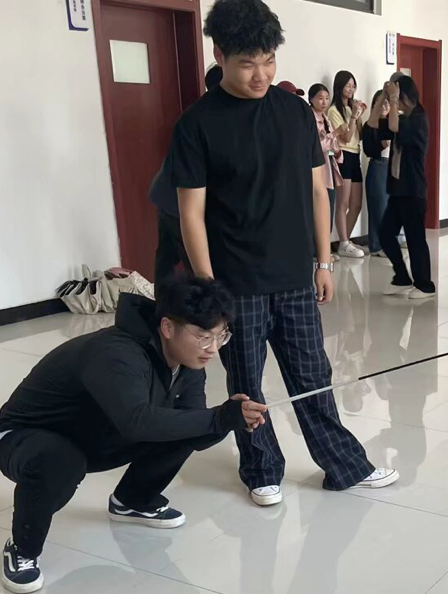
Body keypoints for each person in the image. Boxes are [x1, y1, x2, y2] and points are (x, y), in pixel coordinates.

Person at [170, 0, 397, 507]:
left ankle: (344, 464)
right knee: (246, 385)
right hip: (235, 283)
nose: (261, 74)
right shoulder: (197, 125)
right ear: (220, 55)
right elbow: (191, 215)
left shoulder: (294, 113)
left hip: (295, 276)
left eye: (269, 60)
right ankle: (260, 469)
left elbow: (319, 191)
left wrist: (325, 261)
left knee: (313, 376)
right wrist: (210, 291)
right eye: (248, 63)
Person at [0, 279, 268, 594]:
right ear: (167, 327)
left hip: (94, 433)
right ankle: (22, 549)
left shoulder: (189, 363)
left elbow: (196, 432)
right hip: (23, 437)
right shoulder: (116, 352)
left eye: (221, 336)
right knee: (61, 461)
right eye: (204, 336)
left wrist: (230, 419)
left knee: (184, 424)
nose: (213, 349)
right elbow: (137, 423)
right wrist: (216, 418)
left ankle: (133, 500)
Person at [148, 65, 224, 283]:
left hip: (166, 194)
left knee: (166, 259)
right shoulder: (205, 119)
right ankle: (191, 302)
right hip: (175, 199)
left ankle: (164, 301)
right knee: (195, 261)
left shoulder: (205, 113)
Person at [379, 74, 435, 299]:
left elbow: (393, 124)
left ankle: (425, 285)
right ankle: (401, 276)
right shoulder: (403, 118)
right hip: (398, 190)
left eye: (398, 98)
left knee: (415, 239)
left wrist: (393, 98)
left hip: (413, 190)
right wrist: (382, 98)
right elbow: (374, 124)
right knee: (385, 234)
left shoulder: (418, 118)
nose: (397, 103)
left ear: (405, 97)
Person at [326, 70, 367, 258]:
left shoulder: (351, 108)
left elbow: (360, 135)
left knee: (356, 204)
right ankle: (343, 242)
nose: (351, 89)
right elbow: (347, 137)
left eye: (353, 86)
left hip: (356, 154)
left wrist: (358, 114)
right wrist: (353, 117)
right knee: (342, 203)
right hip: (343, 156)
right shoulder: (334, 110)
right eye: (348, 85)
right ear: (339, 86)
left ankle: (346, 241)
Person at [362, 88, 392, 259]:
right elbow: (368, 150)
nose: (384, 106)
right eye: (381, 103)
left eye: (387, 102)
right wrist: (382, 144)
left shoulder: (393, 124)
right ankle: (377, 245)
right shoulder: (369, 126)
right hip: (378, 166)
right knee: (379, 206)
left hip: (392, 167)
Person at [308, 83, 342, 226]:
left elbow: (334, 146)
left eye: (327, 98)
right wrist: (335, 134)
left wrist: (337, 151)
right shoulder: (309, 118)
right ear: (311, 99)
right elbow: (314, 146)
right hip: (316, 172)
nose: (324, 102)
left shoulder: (326, 119)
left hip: (329, 171)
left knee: (328, 217)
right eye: (320, 98)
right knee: (317, 218)